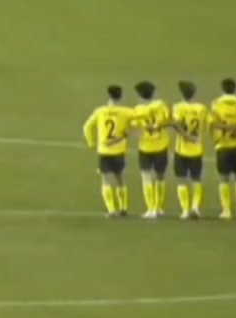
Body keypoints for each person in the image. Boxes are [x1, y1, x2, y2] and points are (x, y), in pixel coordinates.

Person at [83, 85, 134, 218]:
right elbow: (138, 119)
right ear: (121, 96)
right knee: (121, 180)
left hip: (104, 151)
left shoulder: (100, 111)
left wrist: (91, 143)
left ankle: (111, 210)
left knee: (106, 181)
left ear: (109, 96)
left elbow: (87, 127)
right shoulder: (126, 112)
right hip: (119, 151)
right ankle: (123, 208)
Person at [131, 81, 172, 220]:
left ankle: (150, 209)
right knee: (160, 176)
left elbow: (135, 126)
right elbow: (168, 119)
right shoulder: (160, 105)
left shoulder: (137, 110)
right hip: (161, 145)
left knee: (146, 177)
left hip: (145, 147)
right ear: (153, 93)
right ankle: (159, 208)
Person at [210, 79, 236, 220]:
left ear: (222, 88)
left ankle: (226, 210)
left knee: (223, 179)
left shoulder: (216, 104)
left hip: (222, 145)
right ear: (235, 88)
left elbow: (213, 123)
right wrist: (234, 128)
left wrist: (224, 131)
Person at [170, 81, 208, 220]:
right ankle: (195, 207)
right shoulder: (202, 108)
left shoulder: (178, 107)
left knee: (181, 179)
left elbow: (175, 123)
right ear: (194, 93)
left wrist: (185, 135)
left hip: (181, 149)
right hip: (196, 149)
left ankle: (185, 210)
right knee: (196, 179)